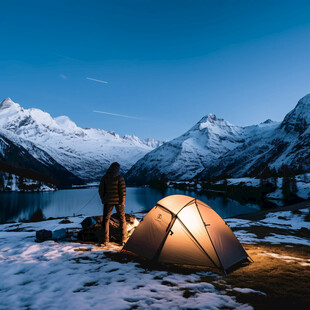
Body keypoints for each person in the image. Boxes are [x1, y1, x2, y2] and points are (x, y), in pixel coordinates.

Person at [98, 162, 127, 246]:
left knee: (106, 220)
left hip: (107, 201)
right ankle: (124, 239)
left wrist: (103, 199)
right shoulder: (119, 178)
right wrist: (122, 202)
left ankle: (105, 240)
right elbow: (123, 191)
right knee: (122, 219)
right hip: (118, 202)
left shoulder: (105, 177)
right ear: (117, 168)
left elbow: (100, 190)